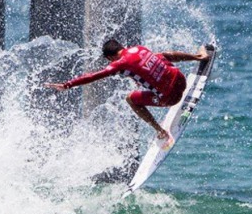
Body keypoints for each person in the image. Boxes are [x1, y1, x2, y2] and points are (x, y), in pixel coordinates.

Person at [46, 39, 209, 141]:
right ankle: (199, 56)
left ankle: (160, 130)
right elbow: (169, 55)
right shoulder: (139, 49)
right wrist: (195, 57)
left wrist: (67, 85)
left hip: (171, 98)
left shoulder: (119, 63)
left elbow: (93, 76)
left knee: (131, 99)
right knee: (161, 57)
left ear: (110, 58)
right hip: (181, 80)